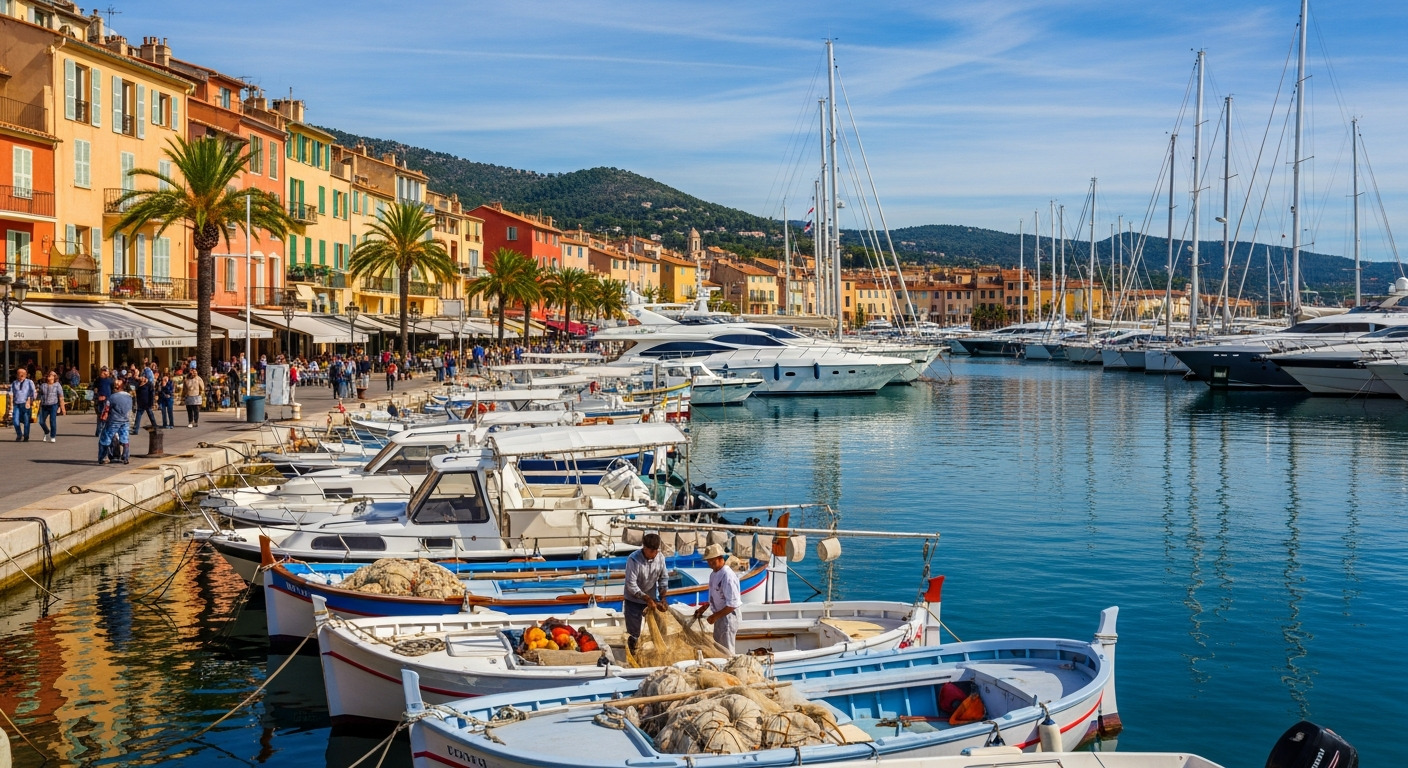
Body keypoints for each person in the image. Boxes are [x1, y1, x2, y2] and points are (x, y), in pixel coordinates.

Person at [623, 533, 669, 653]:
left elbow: (663, 578)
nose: (654, 554)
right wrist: (646, 598)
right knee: (634, 634)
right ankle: (634, 655)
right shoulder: (633, 559)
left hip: (652, 599)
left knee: (659, 629)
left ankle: (658, 653)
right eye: (651, 551)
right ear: (644, 548)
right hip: (633, 600)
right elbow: (631, 585)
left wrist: (663, 597)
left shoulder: (660, 558)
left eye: (656, 551)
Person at [694, 544, 742, 655]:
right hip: (719, 616)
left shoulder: (727, 576)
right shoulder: (713, 575)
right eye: (708, 561)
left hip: (728, 617)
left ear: (721, 558)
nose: (710, 564)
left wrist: (715, 616)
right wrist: (704, 608)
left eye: (713, 561)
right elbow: (714, 597)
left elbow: (732, 604)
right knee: (718, 648)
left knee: (727, 650)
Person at [99, 376, 134, 464]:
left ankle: (103, 457)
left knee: (105, 438)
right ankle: (126, 457)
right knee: (124, 438)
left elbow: (106, 409)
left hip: (114, 420)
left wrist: (103, 418)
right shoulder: (129, 397)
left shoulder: (112, 397)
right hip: (125, 420)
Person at [37, 370, 65, 443]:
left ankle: (52, 436)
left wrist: (62, 408)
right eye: (49, 374)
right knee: (41, 421)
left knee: (52, 421)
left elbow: (61, 396)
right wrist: (37, 401)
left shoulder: (57, 385)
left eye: (52, 374)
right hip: (44, 405)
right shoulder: (43, 385)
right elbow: (39, 395)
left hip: (53, 405)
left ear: (54, 377)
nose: (50, 375)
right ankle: (47, 432)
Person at [9, 367, 35, 442]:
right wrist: (11, 404)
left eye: (23, 374)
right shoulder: (14, 383)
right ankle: (19, 434)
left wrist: (30, 401)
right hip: (17, 404)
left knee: (26, 421)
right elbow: (11, 393)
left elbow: (33, 392)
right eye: (19, 373)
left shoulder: (29, 382)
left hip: (26, 403)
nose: (21, 375)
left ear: (25, 374)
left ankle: (26, 436)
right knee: (15, 421)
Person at [93, 366, 113, 437]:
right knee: (100, 415)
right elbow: (94, 388)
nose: (103, 373)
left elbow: (113, 388)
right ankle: (99, 431)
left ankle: (103, 431)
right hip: (100, 399)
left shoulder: (109, 380)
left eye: (105, 371)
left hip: (107, 399)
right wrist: (97, 396)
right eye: (102, 371)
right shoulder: (98, 380)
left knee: (106, 415)